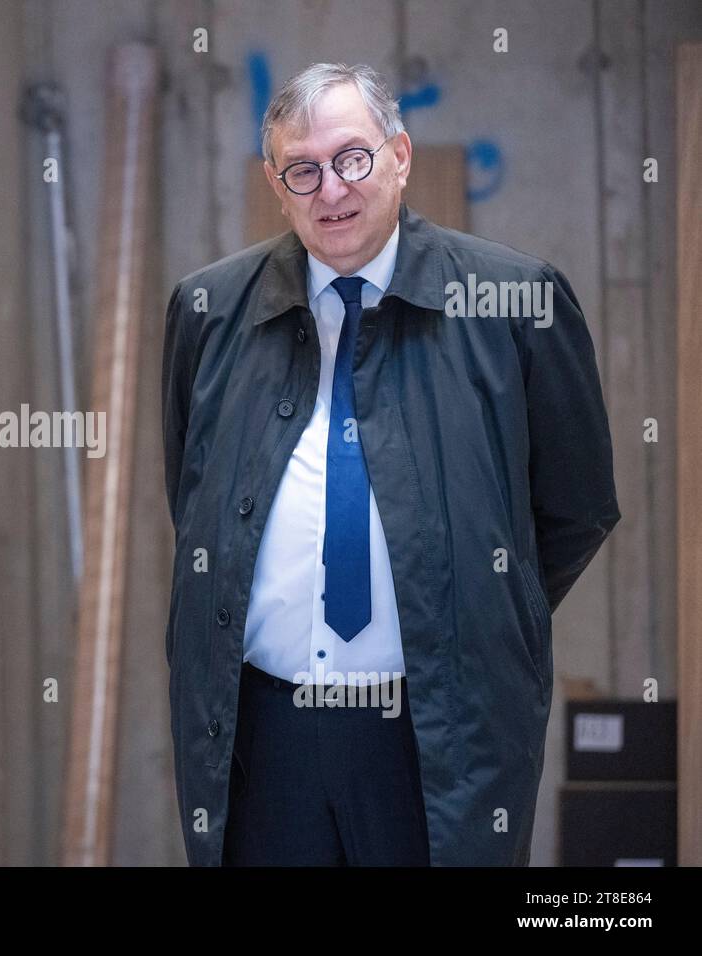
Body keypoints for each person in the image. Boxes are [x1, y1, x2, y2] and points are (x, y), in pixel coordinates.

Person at [161, 63, 619, 866]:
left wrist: (472, 610)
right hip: (262, 736)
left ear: (400, 156)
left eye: (353, 158)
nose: (330, 188)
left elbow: (577, 506)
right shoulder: (209, 310)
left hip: (433, 735)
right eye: (302, 170)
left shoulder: (516, 301)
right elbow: (192, 496)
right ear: (277, 184)